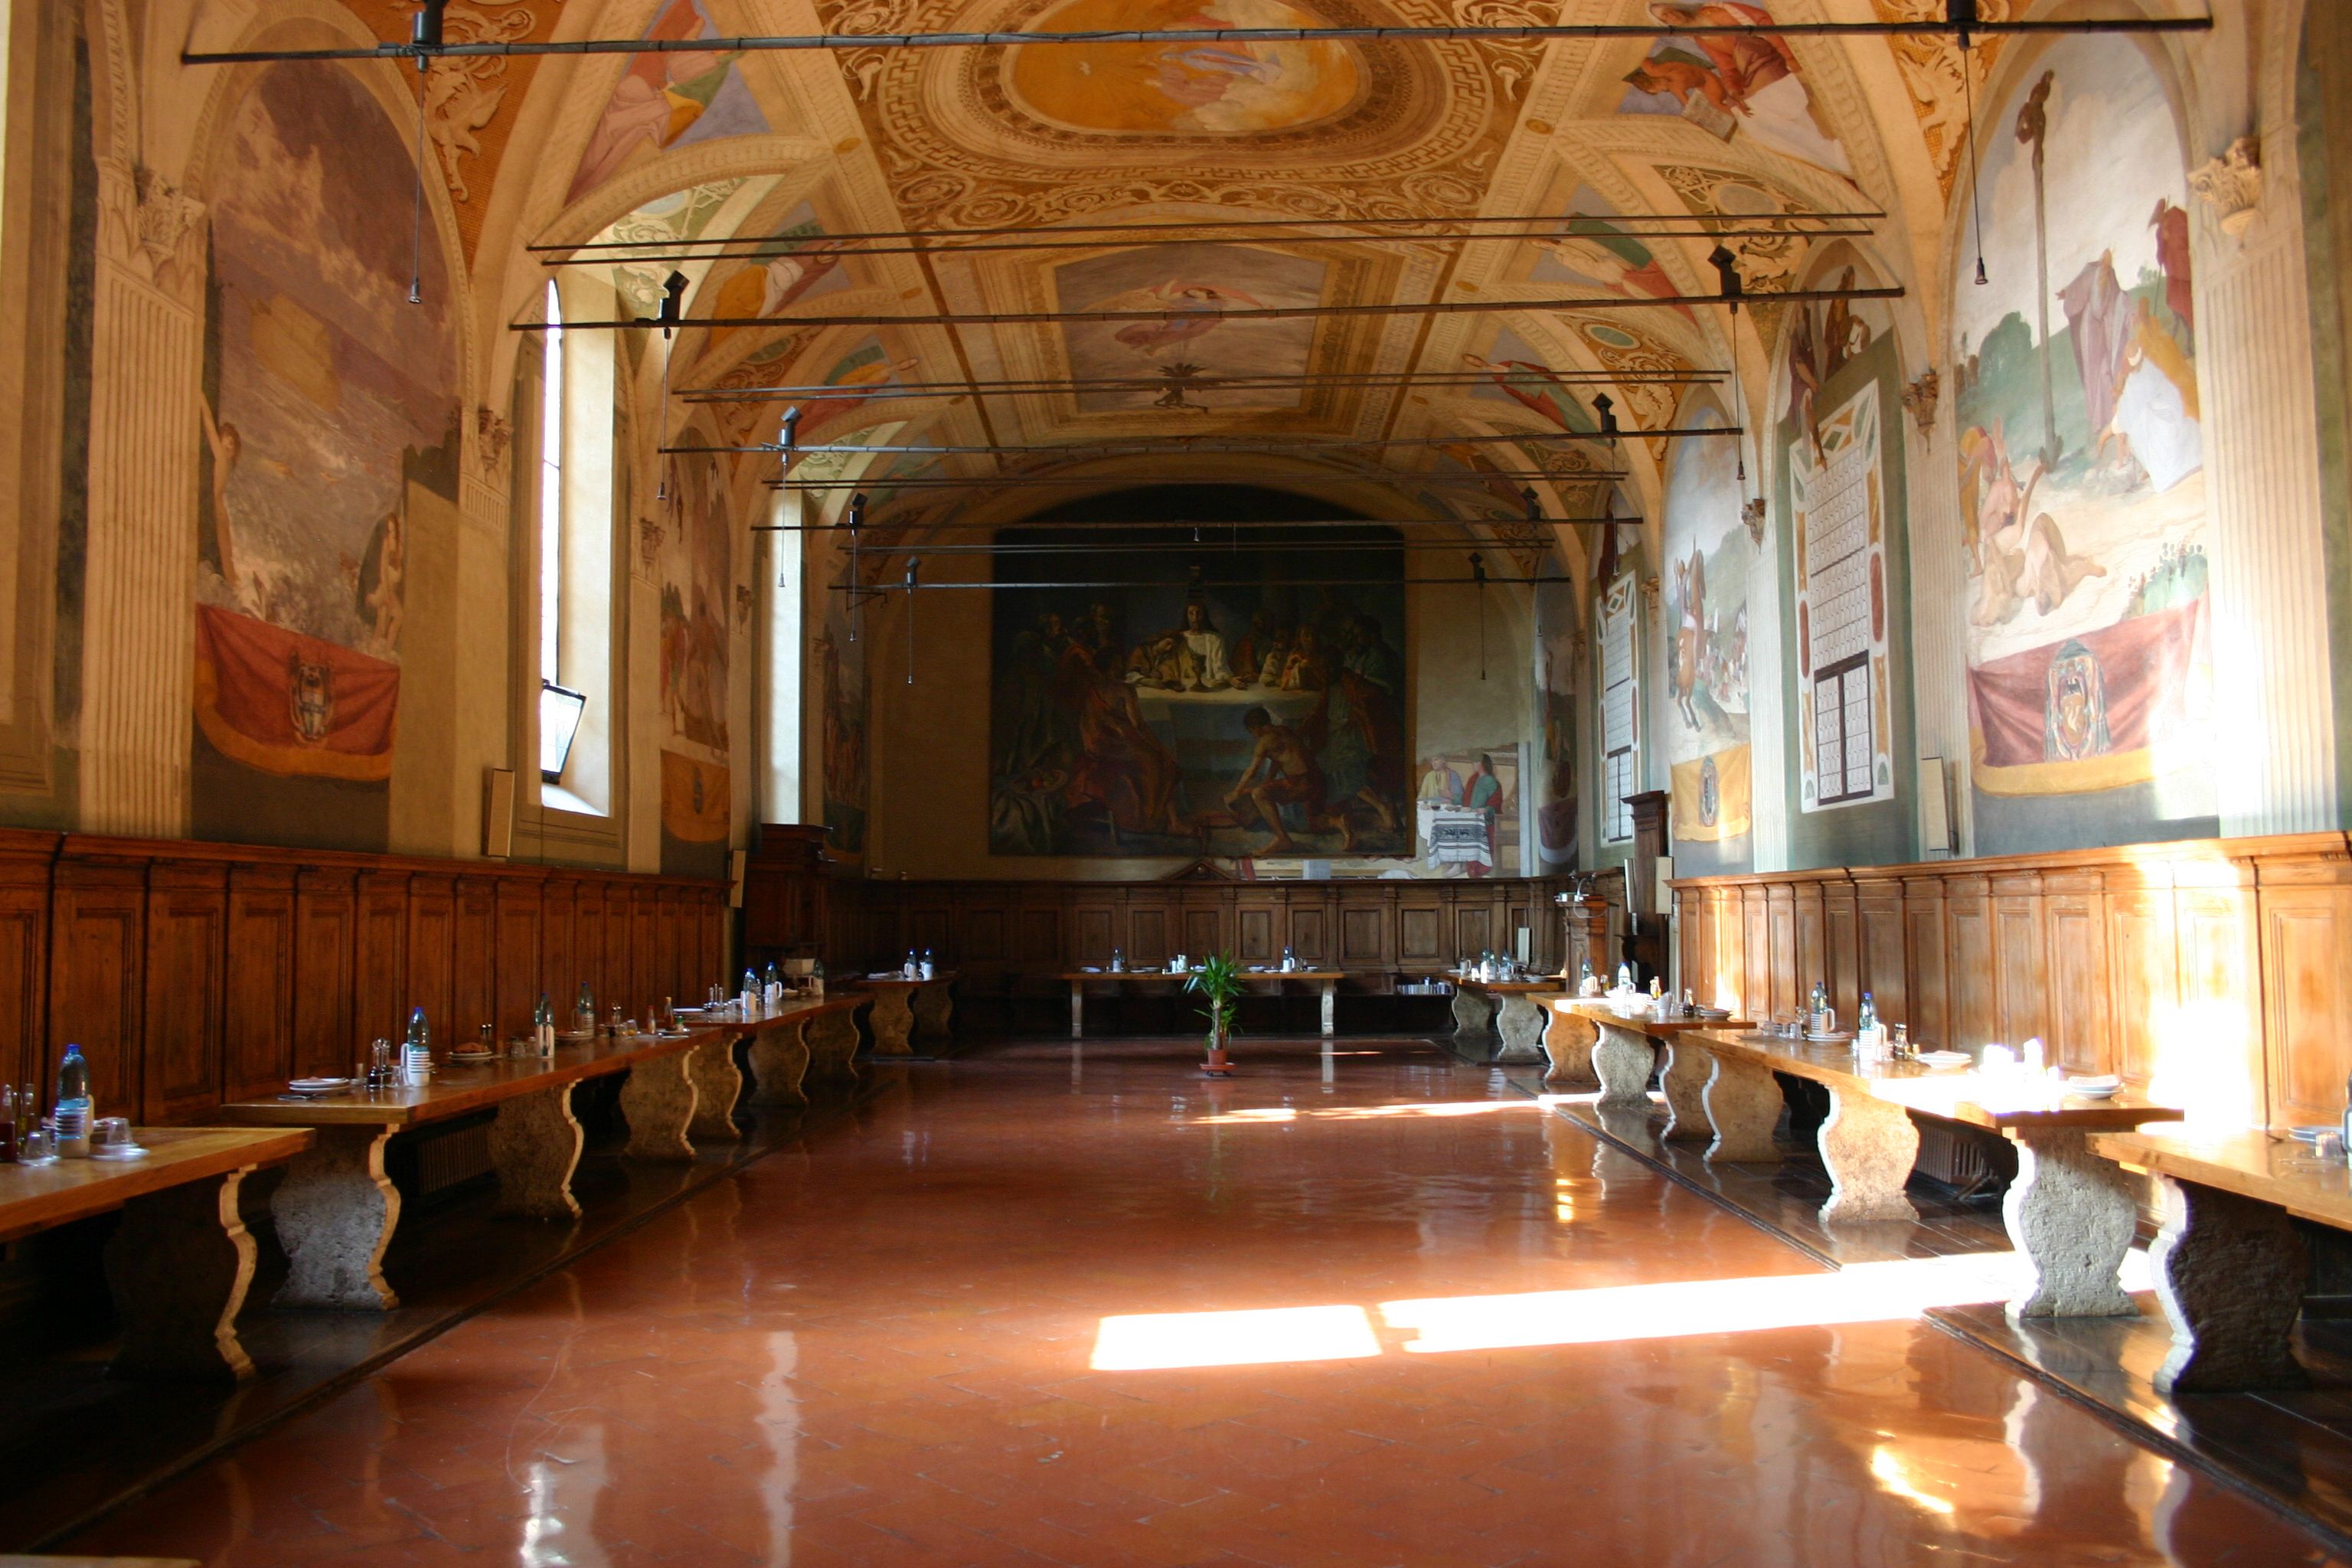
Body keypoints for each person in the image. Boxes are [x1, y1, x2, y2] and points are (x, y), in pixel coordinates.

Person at [1227, 707, 1327, 855]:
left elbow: (1251, 771)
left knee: (1258, 794)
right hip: (1316, 779)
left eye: (1251, 731)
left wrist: (1237, 791)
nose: (1253, 735)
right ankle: (1339, 822)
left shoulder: (1264, 741)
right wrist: (1267, 782)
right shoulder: (1284, 730)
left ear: (1255, 728)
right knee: (1263, 790)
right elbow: (1278, 762)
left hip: (1303, 785)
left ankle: (1282, 839)